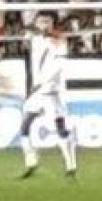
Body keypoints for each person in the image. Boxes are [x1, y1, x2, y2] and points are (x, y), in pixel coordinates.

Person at [18, 15, 77, 179]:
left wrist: (43, 82)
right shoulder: (35, 38)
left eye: (47, 22)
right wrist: (29, 31)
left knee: (60, 128)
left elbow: (60, 63)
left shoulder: (58, 41)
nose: (44, 25)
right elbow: (26, 37)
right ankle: (31, 161)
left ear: (52, 24)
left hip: (51, 91)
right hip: (38, 92)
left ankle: (71, 166)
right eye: (41, 22)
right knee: (24, 126)